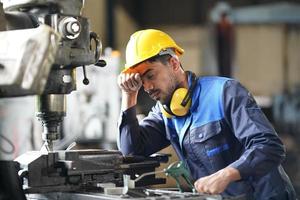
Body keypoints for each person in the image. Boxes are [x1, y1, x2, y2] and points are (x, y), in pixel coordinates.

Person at [117, 29, 296, 199]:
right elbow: (132, 152)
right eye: (142, 81)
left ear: (173, 63)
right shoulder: (165, 113)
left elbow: (269, 146)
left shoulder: (224, 93)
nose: (147, 87)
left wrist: (227, 174)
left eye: (150, 75)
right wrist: (129, 96)